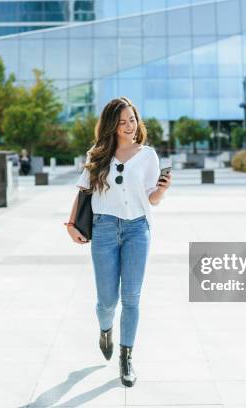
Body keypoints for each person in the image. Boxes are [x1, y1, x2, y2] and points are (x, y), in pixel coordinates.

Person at [65, 97, 172, 387]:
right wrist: (71, 225)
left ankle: (126, 359)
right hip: (104, 229)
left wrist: (161, 191)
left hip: (138, 228)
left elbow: (151, 197)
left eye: (132, 120)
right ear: (112, 125)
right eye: (123, 121)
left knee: (132, 298)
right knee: (107, 301)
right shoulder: (98, 154)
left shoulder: (148, 155)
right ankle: (105, 330)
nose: (129, 126)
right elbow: (84, 192)